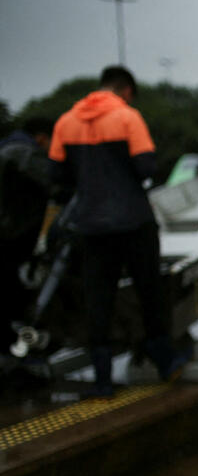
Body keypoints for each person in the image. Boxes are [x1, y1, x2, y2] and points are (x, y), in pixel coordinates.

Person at [48, 65, 185, 397]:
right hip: (134, 221)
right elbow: (147, 167)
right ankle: (164, 358)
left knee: (98, 298)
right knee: (149, 289)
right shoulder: (128, 117)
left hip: (90, 226)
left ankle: (103, 379)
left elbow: (57, 175)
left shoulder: (66, 122)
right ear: (126, 90)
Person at [0, 117, 63, 353]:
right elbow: (53, 183)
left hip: (8, 232)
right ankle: (15, 350)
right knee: (12, 291)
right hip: (11, 234)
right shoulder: (24, 154)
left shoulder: (7, 147)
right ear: (41, 137)